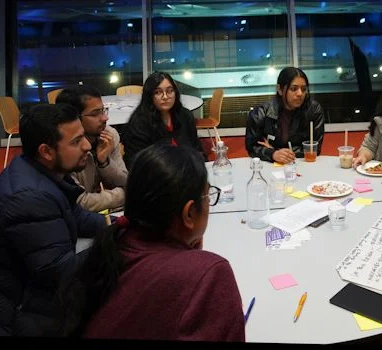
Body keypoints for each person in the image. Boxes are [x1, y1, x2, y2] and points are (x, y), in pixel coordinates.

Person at [59, 143, 245, 341]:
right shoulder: (210, 274)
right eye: (208, 196)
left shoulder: (113, 246)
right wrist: (194, 262)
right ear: (189, 213)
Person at [0, 103, 109, 336]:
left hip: (25, 290)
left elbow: (76, 216)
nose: (87, 145)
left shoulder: (43, 171)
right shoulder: (28, 197)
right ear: (46, 151)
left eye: (83, 136)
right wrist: (117, 245)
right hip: (11, 309)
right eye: (76, 142)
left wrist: (116, 225)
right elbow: (57, 272)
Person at [56, 85, 128, 212]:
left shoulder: (108, 135)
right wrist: (124, 195)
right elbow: (80, 202)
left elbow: (124, 181)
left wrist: (104, 163)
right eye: (95, 114)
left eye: (103, 110)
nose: (105, 118)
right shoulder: (63, 147)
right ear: (74, 118)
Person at [123, 71, 206, 168]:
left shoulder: (185, 115)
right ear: (149, 96)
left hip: (187, 173)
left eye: (170, 91)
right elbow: (138, 164)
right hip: (157, 177)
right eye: (158, 92)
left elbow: (197, 149)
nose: (165, 97)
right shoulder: (139, 123)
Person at [245, 67, 325, 163]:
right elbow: (252, 147)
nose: (300, 93)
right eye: (293, 88)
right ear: (280, 89)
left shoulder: (314, 110)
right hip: (270, 167)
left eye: (303, 89)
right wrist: (273, 154)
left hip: (303, 164)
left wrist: (275, 150)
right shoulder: (260, 113)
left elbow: (314, 148)